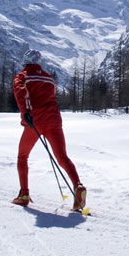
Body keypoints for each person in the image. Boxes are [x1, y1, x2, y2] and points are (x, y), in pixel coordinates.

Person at [12, 49, 87, 211]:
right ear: (38, 62)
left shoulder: (22, 76)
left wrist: (26, 113)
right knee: (62, 157)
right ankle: (78, 186)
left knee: (22, 156)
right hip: (54, 120)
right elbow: (50, 96)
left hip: (35, 121)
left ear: (25, 61)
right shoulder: (48, 77)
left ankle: (24, 194)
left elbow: (20, 93)